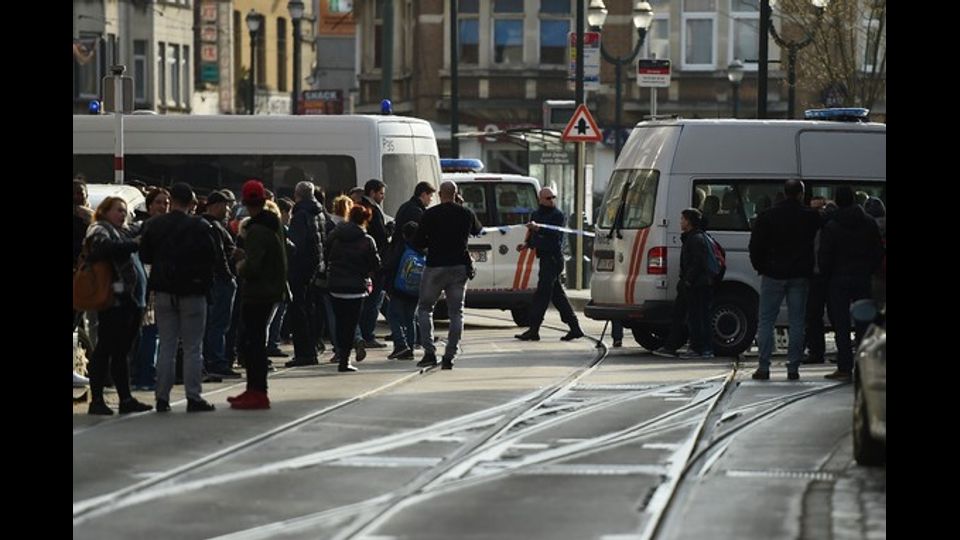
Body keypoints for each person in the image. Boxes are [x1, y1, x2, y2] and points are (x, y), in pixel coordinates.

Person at [139, 182, 217, 413]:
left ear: (171, 200)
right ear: (191, 203)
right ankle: (193, 397)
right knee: (193, 346)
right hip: (193, 291)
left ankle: (162, 397)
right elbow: (210, 257)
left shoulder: (155, 225)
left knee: (166, 345)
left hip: (164, 290)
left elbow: (145, 254)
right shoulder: (200, 226)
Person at [84, 197, 152, 415]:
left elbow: (136, 231)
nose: (122, 215)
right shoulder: (99, 229)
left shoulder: (121, 230)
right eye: (118, 210)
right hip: (113, 300)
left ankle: (125, 398)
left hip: (130, 301)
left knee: (121, 352)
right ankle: (97, 400)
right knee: (105, 349)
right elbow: (102, 248)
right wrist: (135, 244)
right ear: (104, 211)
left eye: (124, 211)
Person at [748, 179, 822, 381]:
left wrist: (760, 266)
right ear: (801, 193)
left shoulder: (767, 216)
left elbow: (755, 246)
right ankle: (793, 368)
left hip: (772, 273)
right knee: (797, 322)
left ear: (784, 192)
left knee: (766, 321)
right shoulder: (810, 217)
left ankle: (764, 366)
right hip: (799, 274)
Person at [228, 180, 290, 409]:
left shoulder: (255, 230)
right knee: (256, 342)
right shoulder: (274, 225)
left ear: (244, 202)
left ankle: (256, 390)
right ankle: (254, 389)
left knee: (252, 343)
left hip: (257, 292)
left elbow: (253, 266)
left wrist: (240, 263)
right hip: (272, 289)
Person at [414, 180, 483, 369]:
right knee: (456, 313)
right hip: (459, 267)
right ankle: (450, 355)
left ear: (439, 194)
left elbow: (419, 240)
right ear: (456, 193)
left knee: (425, 308)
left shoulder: (430, 214)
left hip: (435, 266)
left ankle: (429, 352)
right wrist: (461, 206)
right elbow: (478, 230)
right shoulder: (465, 213)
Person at [818, 186, 883, 382]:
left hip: (838, 279)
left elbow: (825, 255)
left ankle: (844, 367)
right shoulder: (869, 223)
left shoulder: (832, 225)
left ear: (837, 201)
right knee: (864, 324)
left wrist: (827, 274)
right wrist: (869, 269)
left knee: (841, 324)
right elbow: (878, 251)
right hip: (862, 277)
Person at [514, 187, 584, 342]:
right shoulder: (536, 214)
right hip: (544, 258)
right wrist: (526, 245)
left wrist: (538, 229)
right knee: (557, 296)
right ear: (540, 199)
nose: (551, 200)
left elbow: (554, 238)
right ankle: (575, 327)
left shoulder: (558, 215)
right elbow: (532, 236)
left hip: (553, 259)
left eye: (553, 197)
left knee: (542, 294)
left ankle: (534, 329)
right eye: (548, 198)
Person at [325, 205, 381, 372]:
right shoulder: (366, 240)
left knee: (339, 322)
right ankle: (345, 360)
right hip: (356, 287)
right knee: (351, 324)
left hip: (335, 285)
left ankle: (340, 353)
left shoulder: (336, 236)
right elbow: (375, 264)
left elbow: (326, 254)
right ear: (364, 220)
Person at [201, 190, 242, 379]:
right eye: (226, 206)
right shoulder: (214, 227)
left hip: (213, 280)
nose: (228, 210)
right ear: (216, 206)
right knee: (219, 323)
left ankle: (213, 359)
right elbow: (220, 256)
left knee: (214, 323)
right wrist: (229, 277)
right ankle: (216, 361)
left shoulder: (208, 225)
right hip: (220, 282)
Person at [285, 181, 326, 367]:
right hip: (315, 268)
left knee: (298, 311)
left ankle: (303, 353)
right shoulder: (319, 213)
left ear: (297, 195)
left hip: (300, 270)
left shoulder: (300, 215)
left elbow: (296, 245)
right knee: (311, 310)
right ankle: (312, 348)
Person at [677, 208, 715, 359]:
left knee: (699, 316)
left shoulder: (695, 239)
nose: (680, 222)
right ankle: (701, 347)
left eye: (682, 219)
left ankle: (702, 348)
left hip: (699, 284)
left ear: (689, 221)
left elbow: (698, 262)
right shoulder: (692, 237)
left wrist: (687, 280)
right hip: (698, 283)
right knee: (698, 316)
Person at [383, 221, 423, 360]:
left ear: (405, 235)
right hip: (415, 290)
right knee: (410, 318)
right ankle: (410, 348)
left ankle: (401, 344)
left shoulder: (402, 248)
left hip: (399, 289)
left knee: (393, 315)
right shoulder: (422, 249)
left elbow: (391, 265)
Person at [358, 179, 390, 348]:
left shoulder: (360, 206)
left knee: (372, 300)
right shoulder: (372, 210)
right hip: (375, 264)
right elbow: (380, 236)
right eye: (381, 193)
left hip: (365, 264)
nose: (383, 197)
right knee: (373, 301)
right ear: (372, 192)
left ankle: (364, 334)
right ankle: (368, 335)